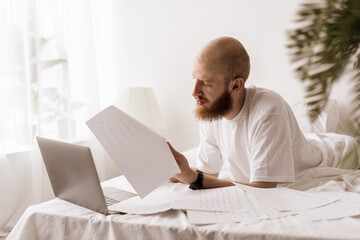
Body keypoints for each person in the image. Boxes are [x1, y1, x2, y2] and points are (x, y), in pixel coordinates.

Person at [168, 36, 359, 189]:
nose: (194, 92)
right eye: (194, 79)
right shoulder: (211, 111)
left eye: (206, 83)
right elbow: (208, 173)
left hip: (343, 155)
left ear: (236, 85)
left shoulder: (268, 110)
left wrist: (193, 178)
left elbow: (263, 188)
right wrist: (172, 170)